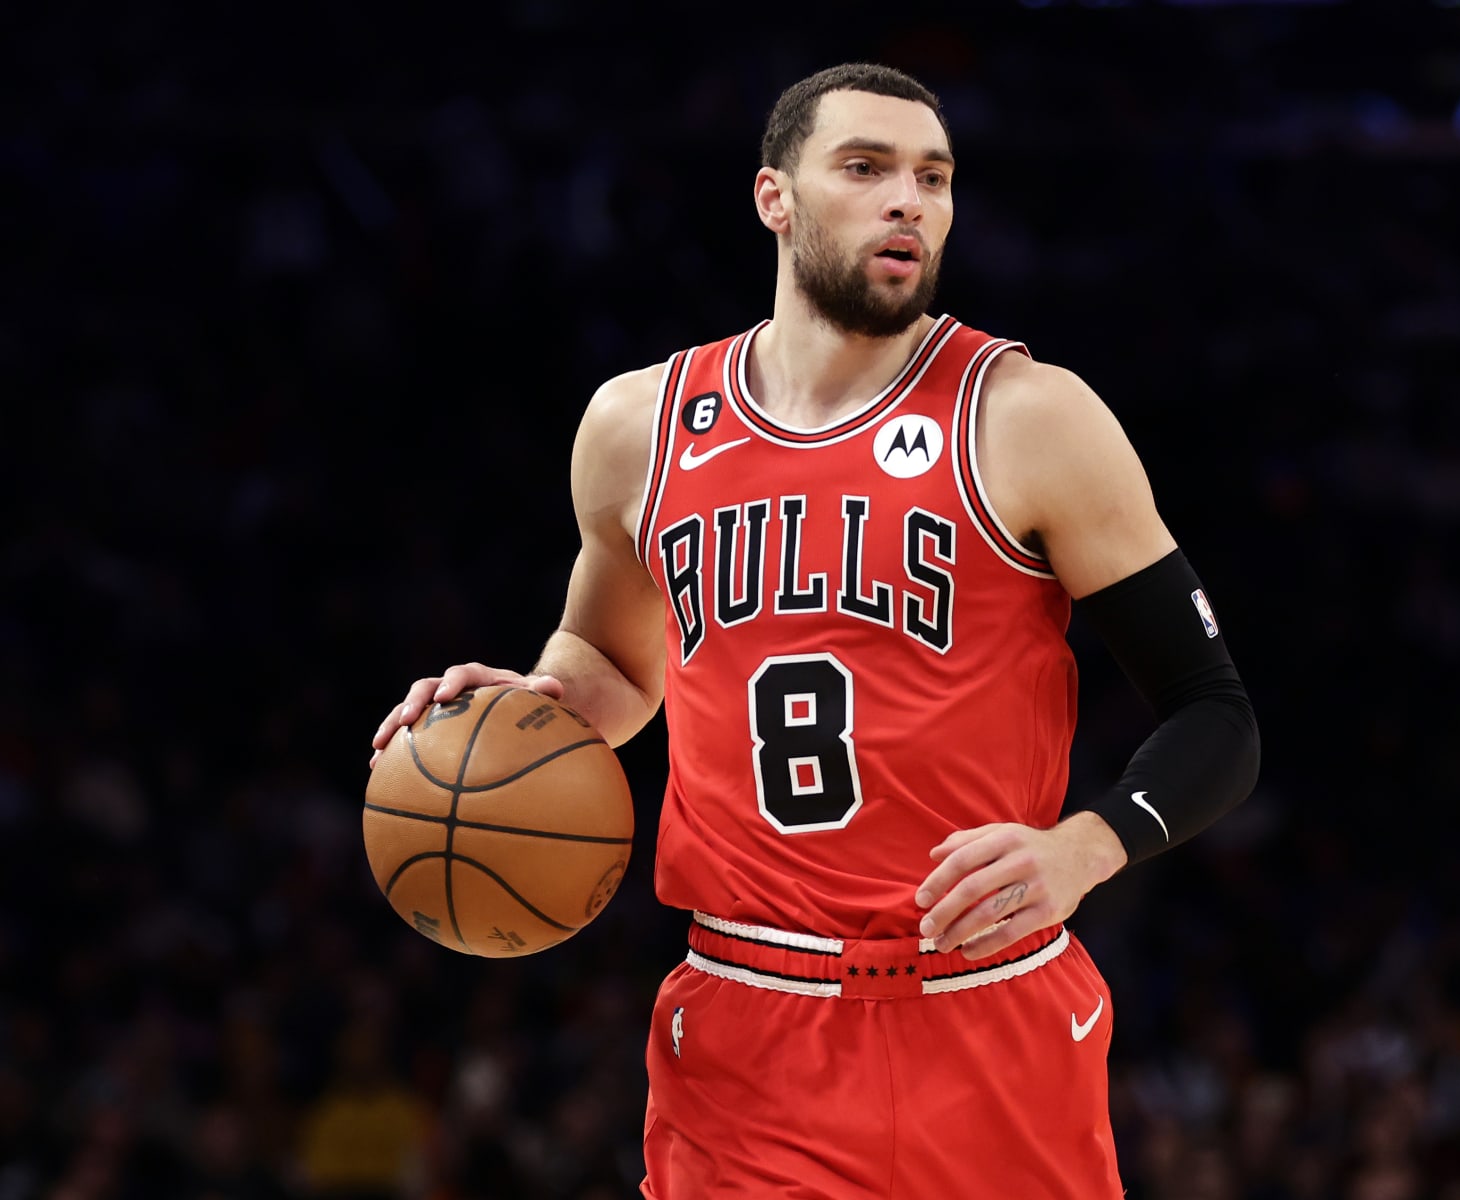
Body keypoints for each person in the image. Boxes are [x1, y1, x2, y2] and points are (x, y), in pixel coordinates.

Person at [370, 62, 1261, 1199]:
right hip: (747, 1028)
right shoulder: (640, 426)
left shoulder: (1030, 417)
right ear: (773, 198)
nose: (910, 202)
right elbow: (610, 666)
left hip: (985, 1007)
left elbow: (1215, 711)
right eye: (867, 169)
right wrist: (527, 711)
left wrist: (1086, 848)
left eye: (933, 178)